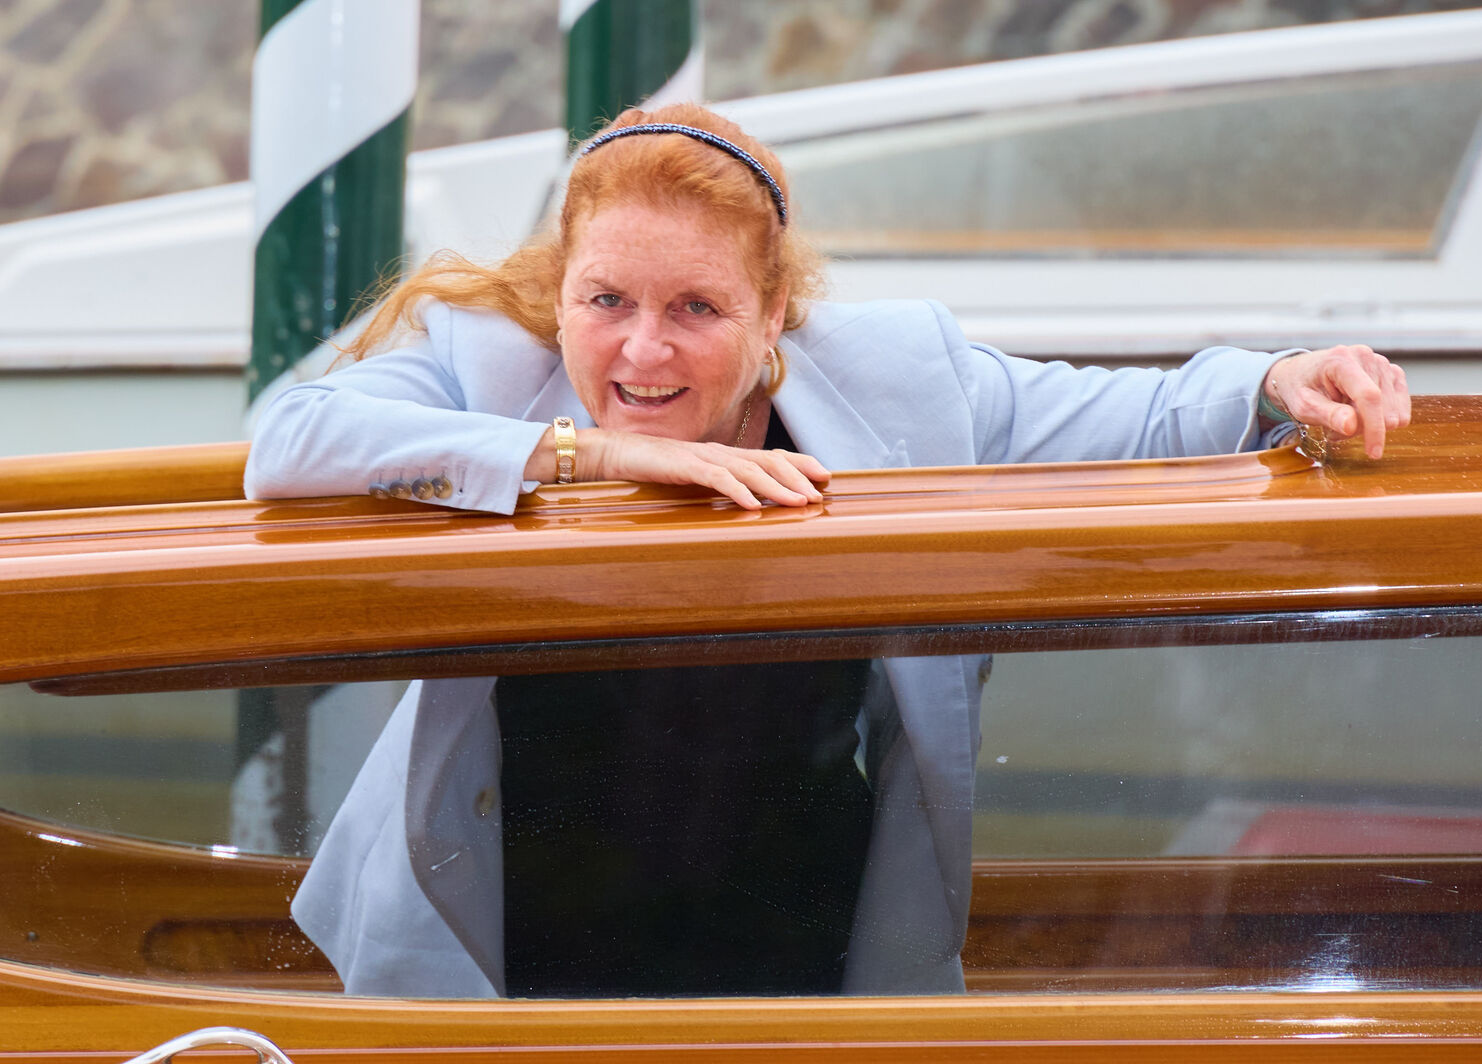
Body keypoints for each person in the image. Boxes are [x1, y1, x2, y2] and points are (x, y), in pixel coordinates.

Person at [244, 103, 1411, 1000]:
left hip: (798, 912)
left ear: (772, 314)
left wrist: (1274, 380)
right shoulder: (485, 359)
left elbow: (1140, 422)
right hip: (506, 921)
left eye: (696, 309)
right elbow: (290, 442)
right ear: (563, 292)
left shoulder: (901, 376)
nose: (642, 349)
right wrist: (588, 460)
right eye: (605, 301)